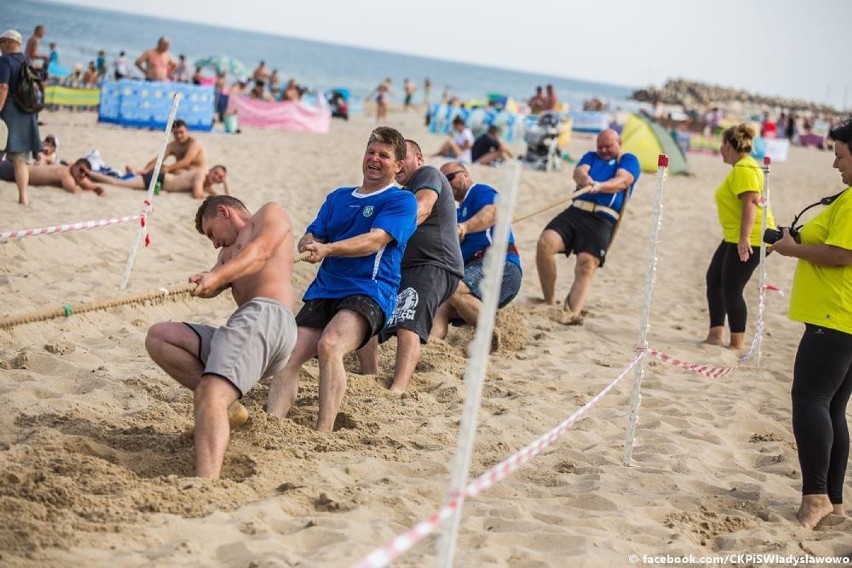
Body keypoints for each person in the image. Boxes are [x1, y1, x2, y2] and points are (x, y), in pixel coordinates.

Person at [265, 127, 417, 432]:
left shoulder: (401, 201)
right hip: (325, 289)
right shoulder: (338, 197)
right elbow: (312, 235)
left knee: (330, 344)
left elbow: (375, 241)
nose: (375, 159)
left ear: (399, 165)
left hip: (369, 290)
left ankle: (323, 431)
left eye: (384, 155)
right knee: (287, 355)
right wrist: (309, 243)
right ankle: (271, 423)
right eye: (371, 152)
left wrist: (329, 248)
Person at [144, 195, 297, 478]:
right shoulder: (226, 257)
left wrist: (218, 276)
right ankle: (232, 409)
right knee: (160, 336)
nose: (214, 243)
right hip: (246, 329)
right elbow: (216, 280)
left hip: (267, 317)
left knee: (209, 394)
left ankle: (206, 483)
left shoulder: (268, 214)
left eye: (212, 233)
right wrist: (206, 282)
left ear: (224, 212)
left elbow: (260, 252)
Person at [771, 117, 852, 529]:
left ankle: (816, 496)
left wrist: (792, 252)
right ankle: (833, 502)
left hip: (834, 314)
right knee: (832, 406)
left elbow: (842, 254)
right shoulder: (844, 198)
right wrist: (793, 239)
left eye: (840, 155)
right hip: (841, 315)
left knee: (810, 400)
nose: (835, 164)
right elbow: (832, 244)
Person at [356, 139, 464, 393]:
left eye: (406, 156)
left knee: (408, 320)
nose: (401, 162)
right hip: (405, 268)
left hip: (436, 263)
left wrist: (386, 232)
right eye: (397, 158)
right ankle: (369, 374)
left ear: (419, 158)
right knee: (364, 310)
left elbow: (423, 207)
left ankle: (398, 388)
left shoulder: (428, 175)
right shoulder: (400, 194)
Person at [535, 129, 640, 322]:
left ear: (619, 143)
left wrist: (600, 186)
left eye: (608, 146)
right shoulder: (591, 156)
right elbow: (579, 172)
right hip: (576, 210)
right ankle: (549, 300)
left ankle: (571, 313)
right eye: (600, 146)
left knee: (586, 264)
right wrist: (587, 181)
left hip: (603, 218)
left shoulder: (628, 160)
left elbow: (623, 180)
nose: (603, 150)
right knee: (545, 243)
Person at [702, 124, 775, 349]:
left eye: (722, 145)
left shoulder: (744, 168)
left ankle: (737, 343)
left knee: (732, 287)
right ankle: (715, 335)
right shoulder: (740, 167)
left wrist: (743, 238)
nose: (720, 150)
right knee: (714, 280)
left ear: (728, 145)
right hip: (734, 236)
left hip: (751, 237)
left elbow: (751, 203)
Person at [432, 162, 522, 340]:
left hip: (499, 265)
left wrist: (465, 227)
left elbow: (493, 212)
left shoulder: (479, 191)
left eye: (449, 178)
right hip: (474, 272)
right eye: (442, 182)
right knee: (440, 304)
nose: (447, 184)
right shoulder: (456, 214)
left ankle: (489, 334)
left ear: (465, 175)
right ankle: (434, 346)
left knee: (453, 289)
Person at [0, 29, 41, 206]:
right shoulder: (27, 61)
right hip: (26, 112)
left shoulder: (5, 61)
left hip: (9, 111)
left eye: (1, 42)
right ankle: (23, 198)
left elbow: (3, 87)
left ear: (8, 43)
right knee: (20, 161)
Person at [89, 164, 228, 199]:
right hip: (157, 179)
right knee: (117, 183)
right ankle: (89, 173)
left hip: (159, 182)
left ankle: (131, 173)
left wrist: (226, 183)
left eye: (220, 177)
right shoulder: (201, 174)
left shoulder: (207, 183)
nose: (216, 177)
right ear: (210, 170)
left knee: (123, 179)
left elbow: (226, 198)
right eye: (216, 173)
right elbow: (198, 194)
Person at [127, 119, 207, 176]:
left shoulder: (195, 143)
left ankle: (140, 174)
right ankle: (140, 173)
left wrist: (168, 168)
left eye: (181, 132)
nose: (178, 135)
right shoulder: (173, 145)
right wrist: (146, 169)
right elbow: (159, 159)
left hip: (198, 173)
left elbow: (186, 161)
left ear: (187, 131)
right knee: (158, 167)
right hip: (183, 172)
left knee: (174, 171)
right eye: (175, 133)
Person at [0, 158, 105, 196]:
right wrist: (92, 190)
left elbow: (85, 183)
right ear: (73, 165)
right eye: (81, 170)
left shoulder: (71, 172)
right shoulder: (65, 174)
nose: (83, 175)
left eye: (86, 174)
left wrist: (95, 188)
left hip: (18, 171)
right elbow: (74, 190)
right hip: (13, 172)